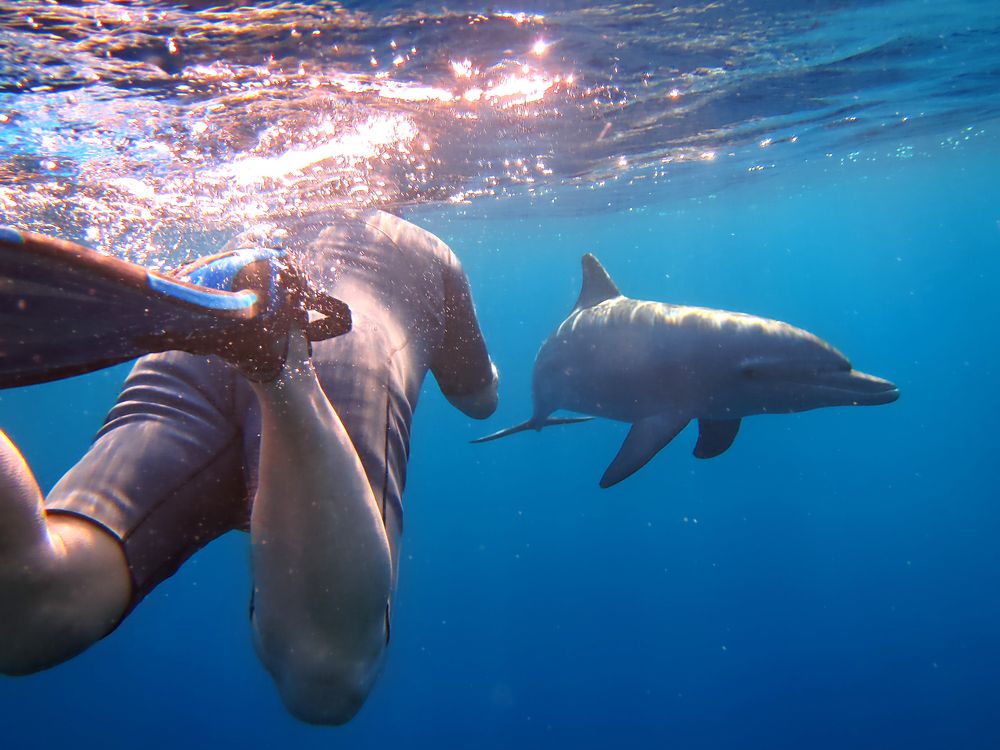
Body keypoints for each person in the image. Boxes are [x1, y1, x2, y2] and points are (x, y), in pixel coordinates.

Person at [0, 209, 499, 724]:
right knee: (327, 679)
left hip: (210, 314)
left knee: (32, 610)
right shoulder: (428, 250)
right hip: (336, 349)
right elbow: (480, 400)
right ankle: (280, 366)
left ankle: (270, 345)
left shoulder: (262, 202)